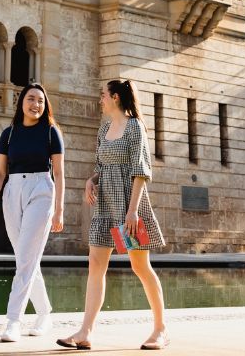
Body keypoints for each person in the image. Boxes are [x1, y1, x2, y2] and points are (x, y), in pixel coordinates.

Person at [58, 79, 168, 351]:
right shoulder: (105, 128)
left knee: (140, 267)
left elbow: (141, 171)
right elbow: (101, 165)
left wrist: (132, 213)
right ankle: (85, 332)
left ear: (116, 97)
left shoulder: (135, 127)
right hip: (105, 205)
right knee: (95, 265)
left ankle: (160, 329)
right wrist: (91, 180)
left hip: (129, 207)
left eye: (104, 95)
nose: (101, 100)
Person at [0, 82, 65, 342]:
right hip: (13, 191)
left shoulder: (51, 133)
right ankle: (44, 314)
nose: (36, 105)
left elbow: (60, 173)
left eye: (40, 101)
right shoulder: (8, 134)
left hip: (41, 190)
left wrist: (59, 210)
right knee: (25, 258)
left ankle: (13, 320)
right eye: (31, 99)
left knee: (26, 258)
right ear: (21, 102)